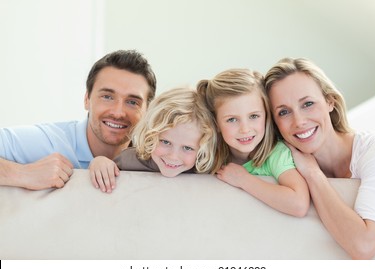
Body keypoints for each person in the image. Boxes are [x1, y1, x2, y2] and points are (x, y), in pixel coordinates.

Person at [264, 57, 375, 259]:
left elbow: (364, 246)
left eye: (308, 104)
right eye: (284, 112)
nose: (299, 121)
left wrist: (313, 174)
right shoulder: (285, 172)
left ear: (329, 101)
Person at [0, 49, 157, 190]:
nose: (118, 113)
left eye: (132, 102)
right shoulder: (51, 142)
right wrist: (23, 174)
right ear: (87, 100)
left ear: (147, 111)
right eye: (107, 97)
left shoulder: (154, 158)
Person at [196, 68, 309, 217]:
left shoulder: (276, 154)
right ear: (215, 123)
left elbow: (299, 204)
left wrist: (244, 180)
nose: (245, 129)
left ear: (266, 115)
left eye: (254, 116)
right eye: (232, 119)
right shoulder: (208, 154)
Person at [89, 87, 217, 193]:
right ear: (150, 135)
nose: (173, 156)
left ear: (203, 148)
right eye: (165, 142)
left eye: (187, 148)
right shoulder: (128, 159)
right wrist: (99, 162)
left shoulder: (205, 168)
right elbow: (106, 170)